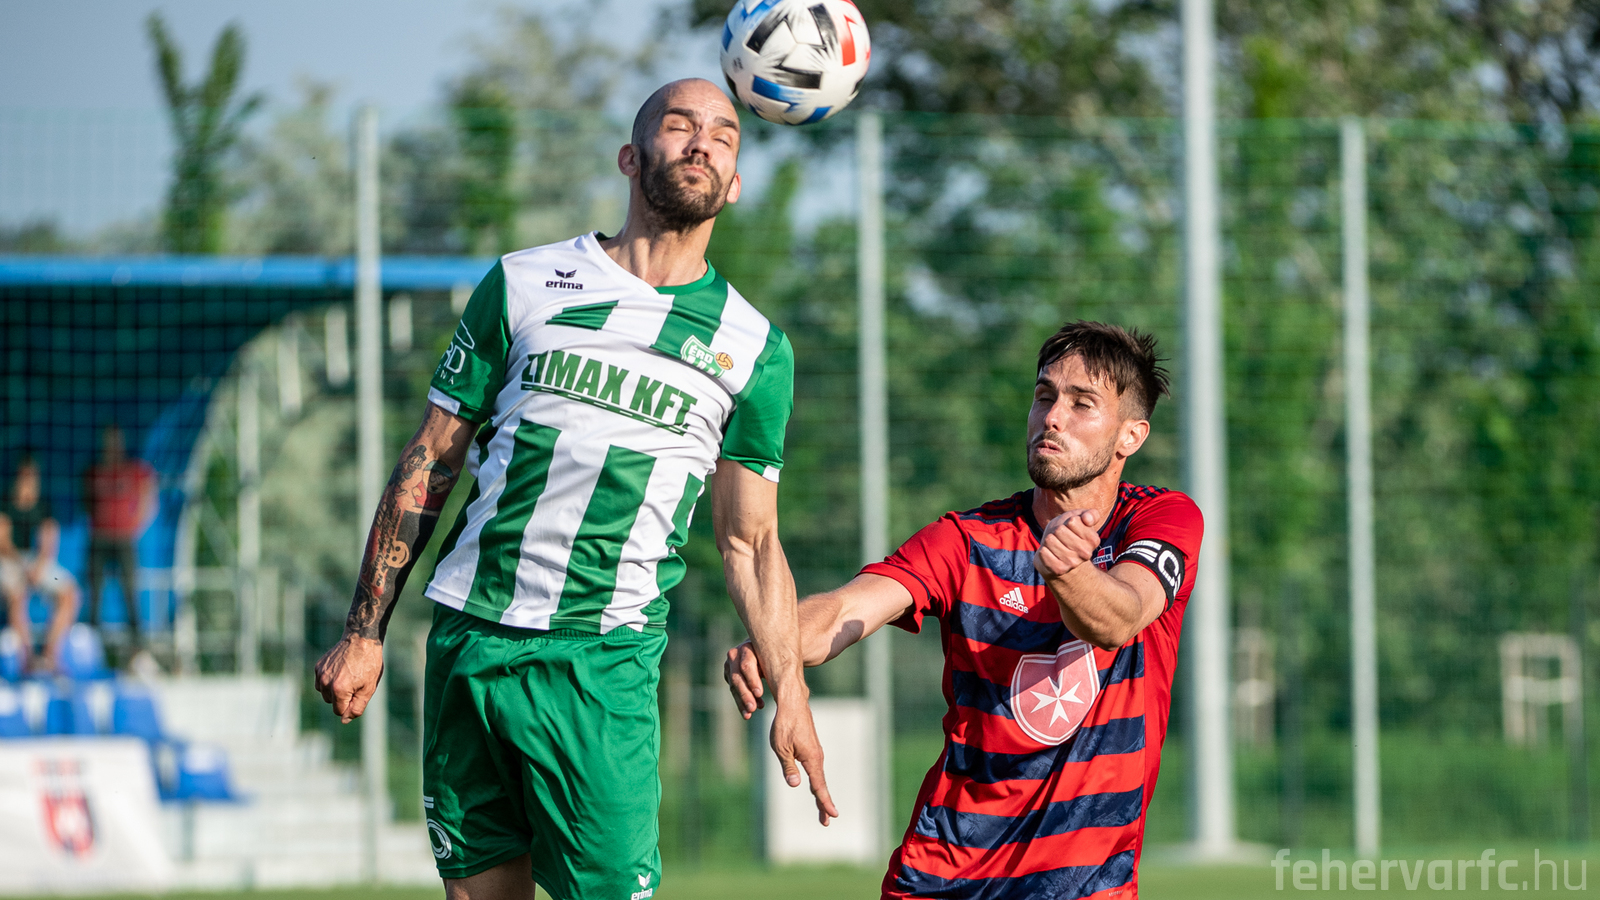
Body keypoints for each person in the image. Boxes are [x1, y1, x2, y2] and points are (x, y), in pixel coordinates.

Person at [312, 78, 834, 900]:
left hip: (602, 662)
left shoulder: (755, 348)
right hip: (471, 642)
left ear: (734, 184)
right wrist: (363, 630)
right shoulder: (523, 282)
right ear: (631, 156)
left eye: (724, 135)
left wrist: (792, 693)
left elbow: (751, 540)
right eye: (679, 124)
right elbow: (431, 459)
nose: (701, 141)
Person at [725, 322, 1204, 900]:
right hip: (945, 873)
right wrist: (772, 641)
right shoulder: (968, 540)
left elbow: (1120, 617)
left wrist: (1067, 572)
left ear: (1131, 435)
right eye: (1045, 396)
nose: (1053, 417)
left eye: (1083, 404)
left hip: (1088, 882)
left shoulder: (1159, 520)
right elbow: (847, 609)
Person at [0, 455, 81, 674]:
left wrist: (37, 567)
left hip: (37, 562)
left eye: (32, 478)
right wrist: (23, 566)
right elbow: (2, 543)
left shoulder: (44, 506)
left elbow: (48, 543)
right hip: (11, 561)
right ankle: (27, 660)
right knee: (16, 595)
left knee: (70, 593)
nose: (28, 483)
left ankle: (49, 655)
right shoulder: (5, 503)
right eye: (25, 477)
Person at [81, 424, 156, 648]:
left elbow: (149, 490)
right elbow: (86, 501)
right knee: (94, 592)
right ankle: (91, 644)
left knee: (130, 592)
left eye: (115, 440)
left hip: (124, 539)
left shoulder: (133, 469)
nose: (111, 445)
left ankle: (138, 647)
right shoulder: (94, 471)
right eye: (108, 440)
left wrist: (136, 523)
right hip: (99, 538)